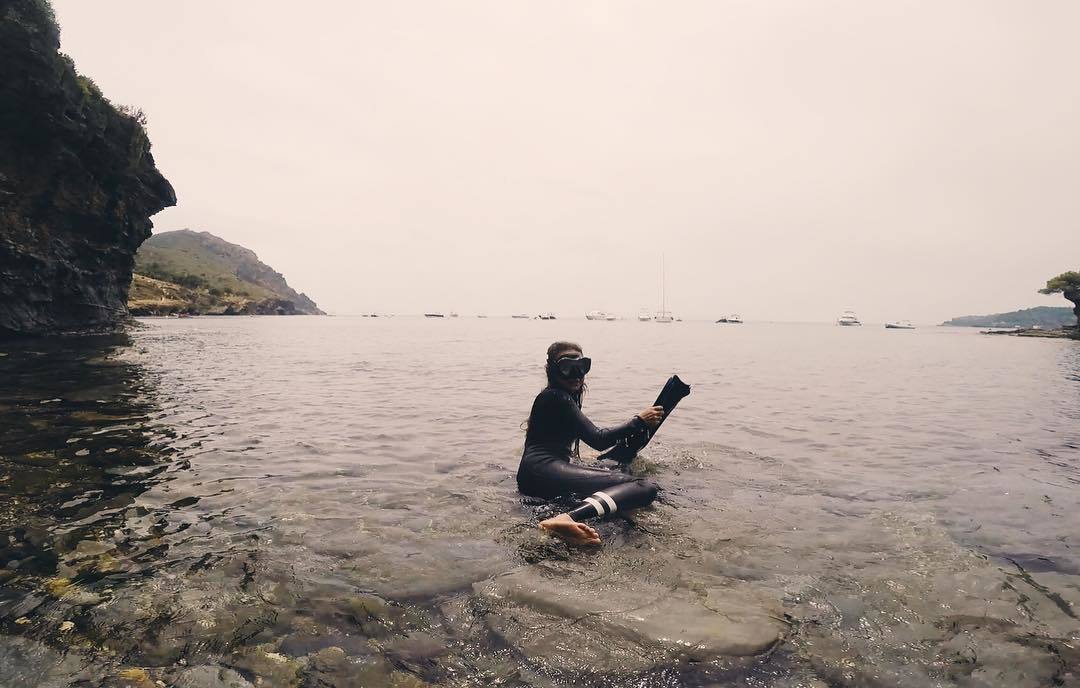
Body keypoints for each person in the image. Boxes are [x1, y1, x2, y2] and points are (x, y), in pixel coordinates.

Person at [517, 341, 664, 544]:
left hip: (534, 475)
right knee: (644, 486)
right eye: (567, 368)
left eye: (582, 366)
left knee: (619, 469)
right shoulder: (555, 396)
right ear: (552, 370)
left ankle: (569, 516)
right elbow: (598, 439)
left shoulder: (557, 397)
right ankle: (566, 518)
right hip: (541, 472)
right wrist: (638, 421)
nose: (576, 375)